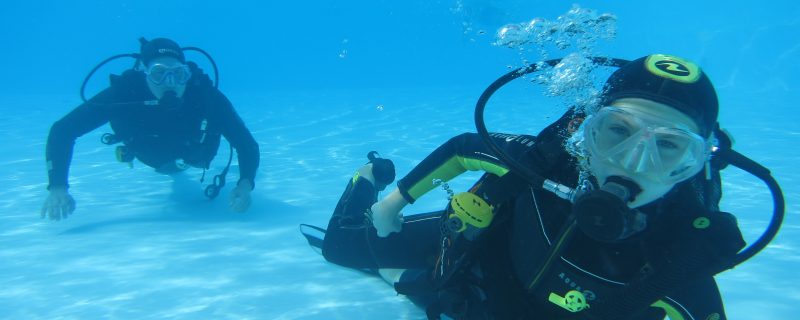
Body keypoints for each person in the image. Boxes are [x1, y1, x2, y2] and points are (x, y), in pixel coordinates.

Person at [311, 54, 758, 319]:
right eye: (616, 132)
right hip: (479, 255)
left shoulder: (682, 259)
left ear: (696, 164)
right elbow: (467, 147)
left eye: (668, 147)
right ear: (586, 130)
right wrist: (393, 202)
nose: (633, 165)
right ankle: (367, 178)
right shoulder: (549, 162)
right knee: (341, 250)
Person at [41, 37, 260, 220]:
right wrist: (57, 186)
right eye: (159, 73)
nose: (170, 82)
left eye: (178, 73)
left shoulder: (205, 96)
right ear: (145, 74)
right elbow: (62, 130)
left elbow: (246, 144)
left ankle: (177, 166)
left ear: (187, 74)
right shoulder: (125, 94)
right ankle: (173, 167)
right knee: (167, 167)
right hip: (151, 154)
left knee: (178, 166)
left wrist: (245, 184)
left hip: (196, 155)